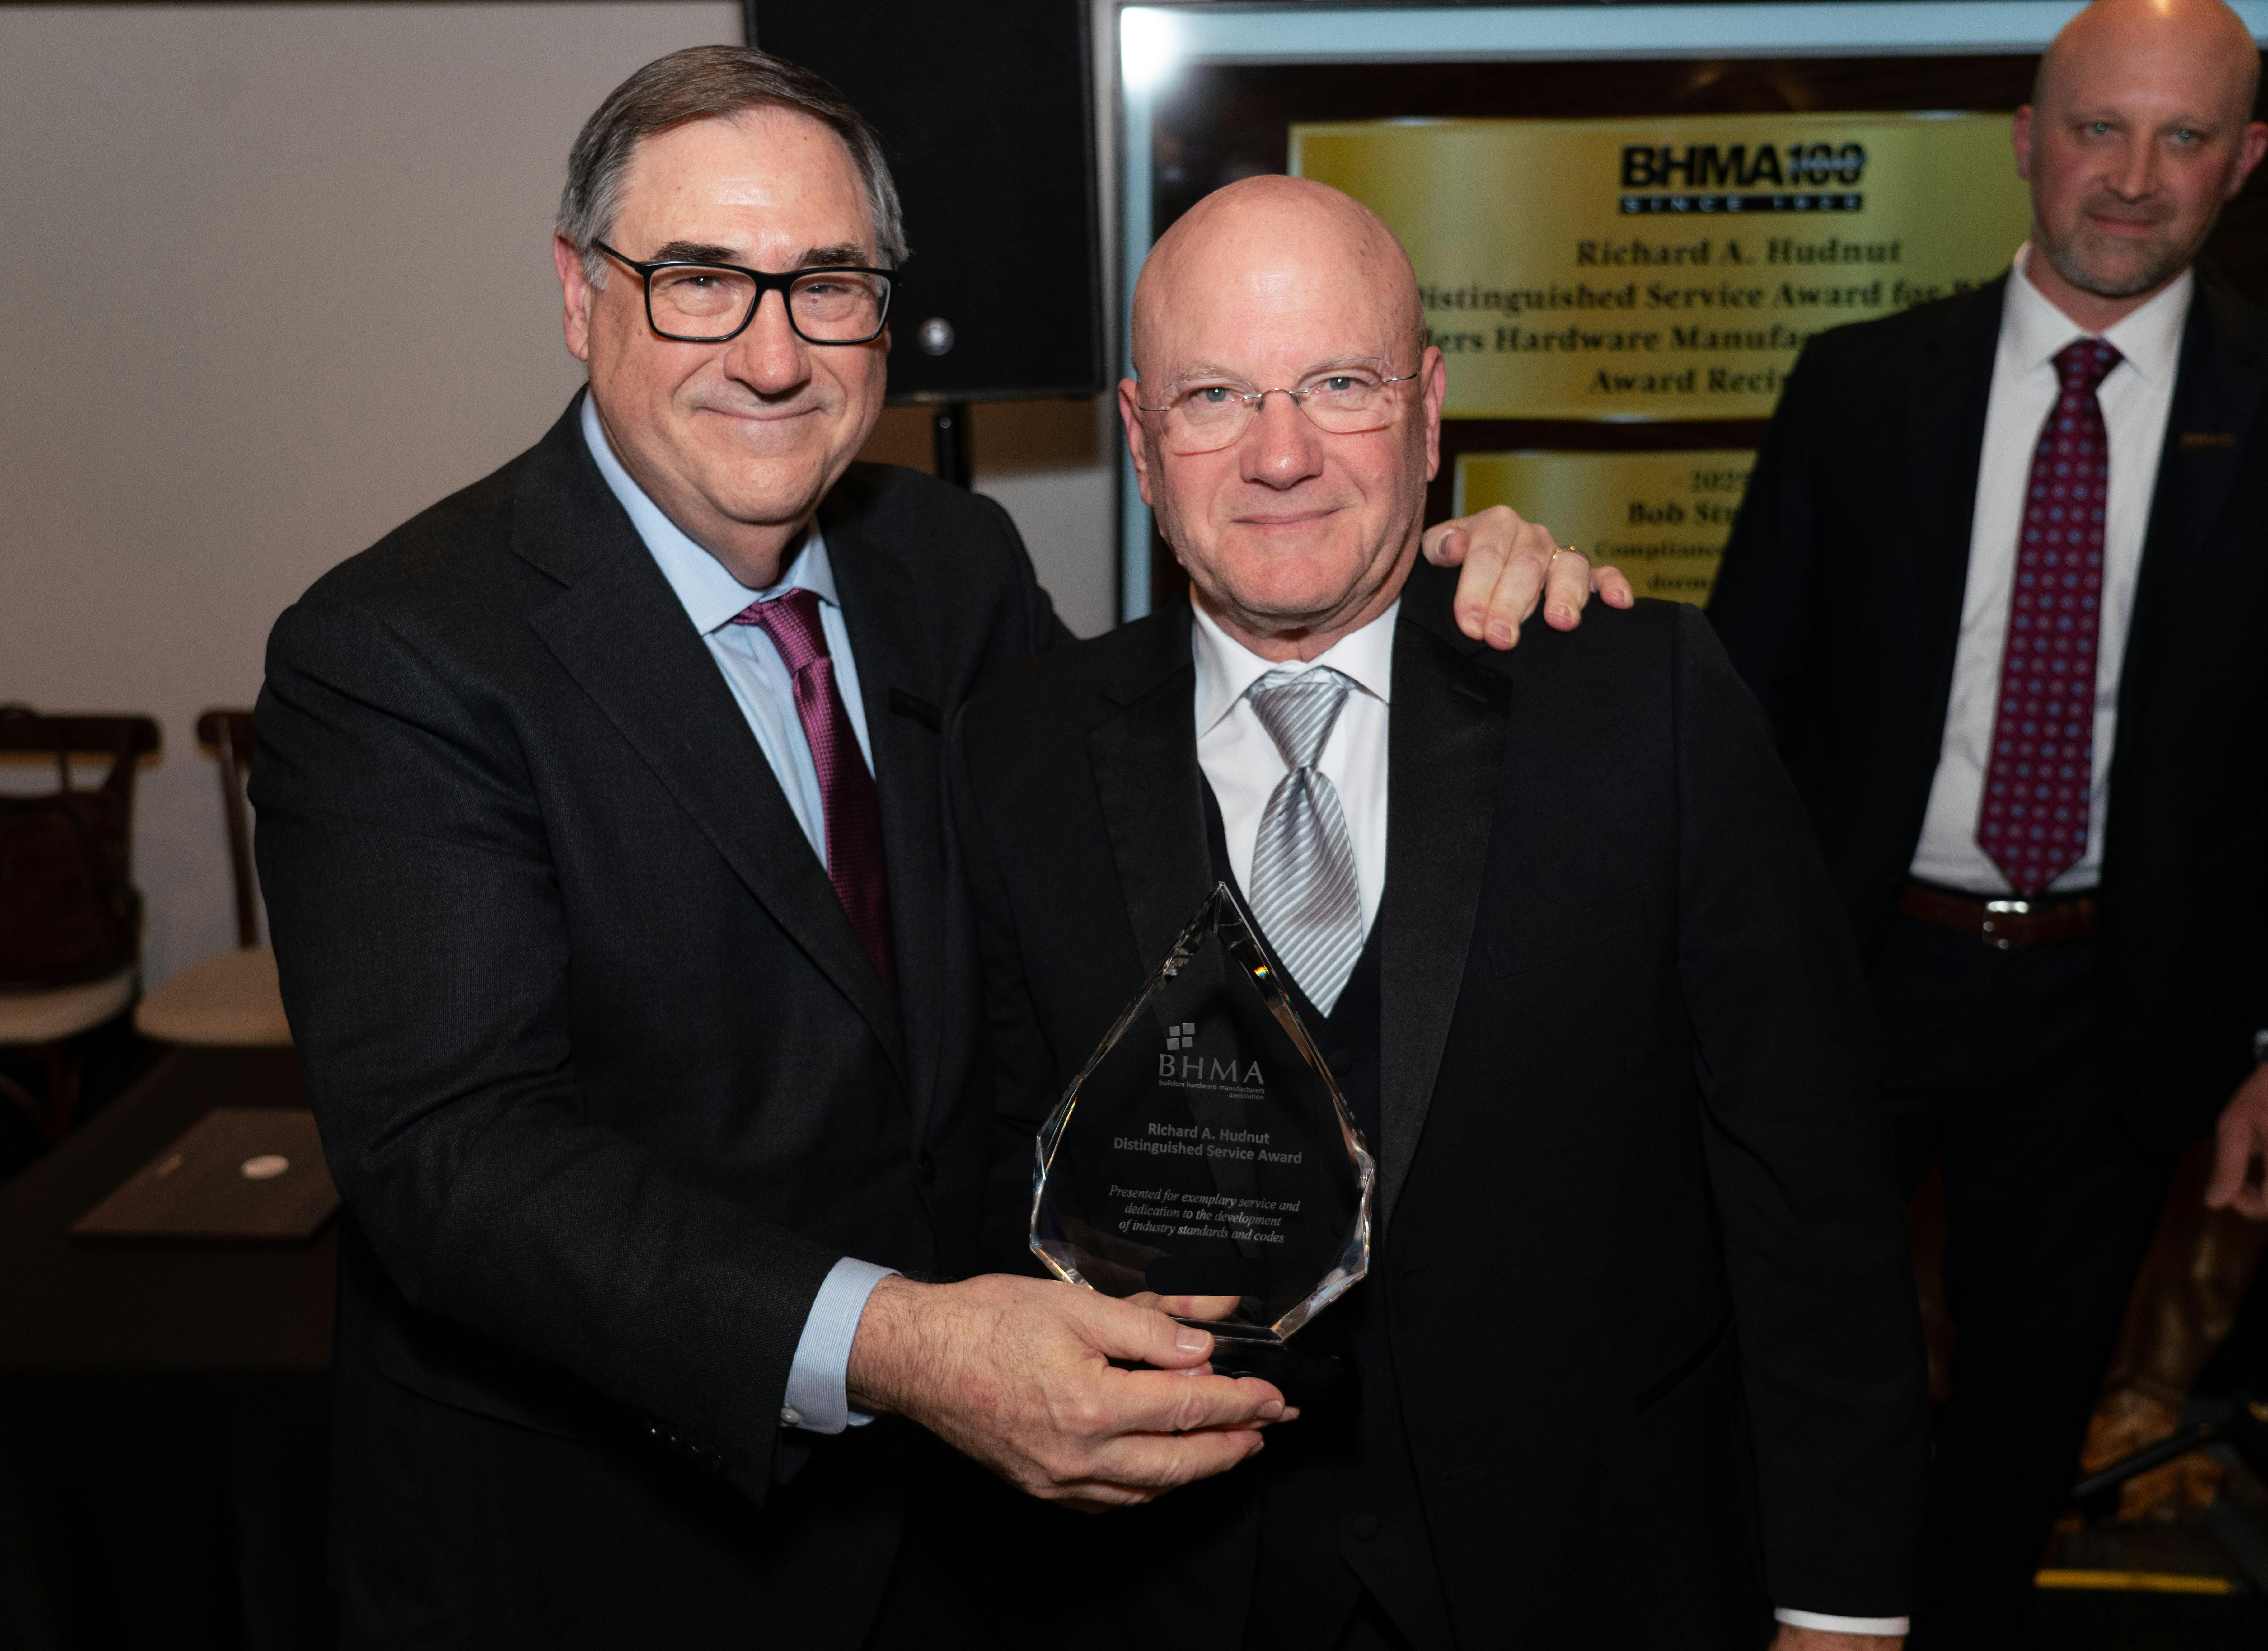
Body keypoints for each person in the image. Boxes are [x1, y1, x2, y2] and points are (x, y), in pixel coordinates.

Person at [249, 45, 1610, 1649]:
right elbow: (457, 1161)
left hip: (974, 1547)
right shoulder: (401, 651)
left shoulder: (949, 567)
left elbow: (1148, 843)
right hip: (611, 1545)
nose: (771, 353)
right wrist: (903, 1347)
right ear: (577, 294)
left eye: (827, 284)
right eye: (700, 280)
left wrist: (1422, 587)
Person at [953, 174, 1928, 1651]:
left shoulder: (1641, 700)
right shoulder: (1016, 748)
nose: (1280, 454)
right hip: (1165, 1590)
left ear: (1426, 407)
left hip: (1593, 1573)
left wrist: (1841, 1609)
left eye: (1336, 384)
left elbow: (1812, 1189)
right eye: (1215, 395)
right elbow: (990, 1178)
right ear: (1141, 441)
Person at [1703, 0, 2268, 1641]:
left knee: (2022, 1423)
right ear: (2029, 138)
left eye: (2182, 139)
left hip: (2118, 1006)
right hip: (1849, 971)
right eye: (2101, 128)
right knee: (1790, 1364)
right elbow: (1740, 711)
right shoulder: (1862, 389)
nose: (2134, 179)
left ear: (2246, 161)